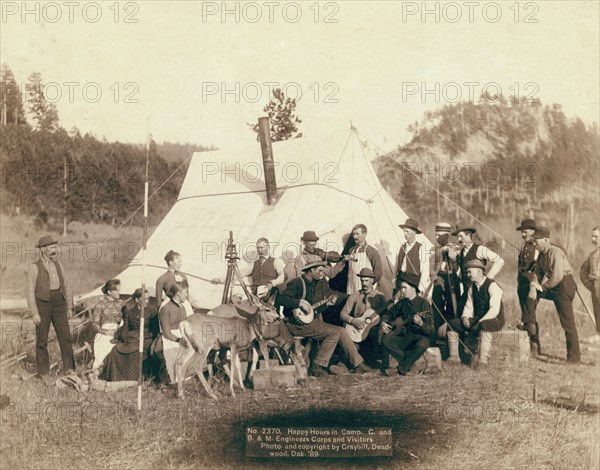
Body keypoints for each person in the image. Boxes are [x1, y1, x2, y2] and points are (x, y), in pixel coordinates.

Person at [278, 262, 371, 376]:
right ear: (311, 270)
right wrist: (299, 303)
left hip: (311, 322)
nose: (322, 274)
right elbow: (280, 299)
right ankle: (318, 366)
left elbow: (319, 305)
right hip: (295, 324)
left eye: (323, 271)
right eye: (320, 271)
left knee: (340, 331)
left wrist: (329, 303)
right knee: (335, 332)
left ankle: (357, 364)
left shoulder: (320, 283)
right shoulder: (297, 283)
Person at [26, 235, 75, 377]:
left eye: (55, 247)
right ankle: (43, 373)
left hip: (59, 304)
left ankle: (69, 370)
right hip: (42, 305)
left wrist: (70, 307)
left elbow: (67, 286)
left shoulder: (59, 265)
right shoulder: (34, 268)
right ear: (43, 249)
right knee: (42, 340)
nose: (54, 250)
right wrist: (34, 313)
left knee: (65, 337)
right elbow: (29, 292)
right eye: (51, 247)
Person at [532, 227, 580, 364]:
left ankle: (574, 359)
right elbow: (537, 273)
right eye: (533, 241)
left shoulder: (555, 252)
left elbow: (557, 276)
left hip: (564, 285)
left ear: (546, 240)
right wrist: (534, 284)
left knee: (568, 323)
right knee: (531, 294)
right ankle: (528, 321)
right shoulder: (541, 255)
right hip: (554, 286)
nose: (534, 244)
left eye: (537, 241)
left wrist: (541, 287)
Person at [448, 259, 505, 367]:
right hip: (479, 318)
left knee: (484, 325)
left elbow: (494, 310)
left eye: (470, 272)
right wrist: (465, 317)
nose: (468, 275)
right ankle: (454, 358)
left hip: (495, 319)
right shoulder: (472, 287)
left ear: (479, 271)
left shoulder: (492, 286)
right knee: (453, 324)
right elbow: (469, 306)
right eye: (467, 272)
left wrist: (479, 322)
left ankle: (483, 361)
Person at [380, 272, 434, 375]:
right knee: (386, 339)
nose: (401, 290)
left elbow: (431, 330)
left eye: (404, 288)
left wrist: (421, 323)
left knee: (422, 344)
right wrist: (383, 322)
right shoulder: (402, 303)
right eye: (401, 288)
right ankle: (410, 365)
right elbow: (389, 314)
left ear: (413, 288)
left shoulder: (424, 304)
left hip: (420, 337)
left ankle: (401, 368)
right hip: (406, 337)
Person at [101, 288, 159, 381]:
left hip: (147, 338)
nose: (147, 302)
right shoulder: (130, 312)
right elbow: (126, 328)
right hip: (131, 339)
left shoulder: (152, 312)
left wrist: (143, 336)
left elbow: (155, 330)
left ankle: (135, 379)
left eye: (148, 299)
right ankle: (116, 378)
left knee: (136, 352)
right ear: (137, 300)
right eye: (145, 299)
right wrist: (122, 338)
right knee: (115, 350)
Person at [339, 268, 388, 367]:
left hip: (372, 329)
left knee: (375, 333)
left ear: (372, 281)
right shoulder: (355, 295)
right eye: (362, 280)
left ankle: (374, 360)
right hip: (357, 327)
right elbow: (343, 313)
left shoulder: (379, 296)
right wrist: (353, 321)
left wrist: (383, 322)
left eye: (367, 281)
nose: (364, 283)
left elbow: (385, 314)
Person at [212, 237, 285, 300]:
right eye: (258, 248)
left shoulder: (276, 261)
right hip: (256, 296)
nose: (260, 250)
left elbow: (283, 275)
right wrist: (220, 279)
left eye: (262, 247)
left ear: (268, 247)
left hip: (270, 296)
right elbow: (239, 274)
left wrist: (272, 283)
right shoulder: (254, 264)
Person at [450, 224, 504, 305]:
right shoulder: (460, 253)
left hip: (480, 291)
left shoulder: (479, 249)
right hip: (467, 292)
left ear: (468, 235)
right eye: (457, 237)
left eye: (460, 236)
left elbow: (500, 261)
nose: (459, 240)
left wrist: (489, 277)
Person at [430, 222, 461, 359]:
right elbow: (432, 266)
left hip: (452, 284)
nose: (436, 238)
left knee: (452, 312)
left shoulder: (455, 248)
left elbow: (458, 268)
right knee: (436, 312)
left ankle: (452, 349)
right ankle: (437, 345)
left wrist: (452, 253)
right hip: (438, 284)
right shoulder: (434, 249)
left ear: (446, 235)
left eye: (439, 235)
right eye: (435, 235)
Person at [515, 219, 542, 355]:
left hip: (531, 284)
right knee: (527, 314)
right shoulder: (525, 246)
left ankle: (534, 347)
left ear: (532, 231)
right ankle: (531, 346)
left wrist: (533, 285)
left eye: (524, 232)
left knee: (529, 315)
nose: (523, 235)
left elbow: (538, 267)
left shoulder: (537, 246)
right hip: (522, 284)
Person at [90, 279, 124, 374]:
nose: (119, 292)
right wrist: (106, 332)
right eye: (116, 290)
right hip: (104, 333)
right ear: (109, 292)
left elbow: (126, 320)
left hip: (119, 332)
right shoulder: (100, 304)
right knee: (103, 349)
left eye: (119, 290)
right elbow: (94, 324)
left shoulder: (122, 303)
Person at [158, 281, 189, 383]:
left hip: (182, 336)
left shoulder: (182, 307)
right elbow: (166, 332)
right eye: (185, 292)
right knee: (175, 358)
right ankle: (174, 380)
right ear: (178, 293)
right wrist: (179, 340)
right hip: (170, 339)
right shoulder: (165, 308)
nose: (187, 295)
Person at [345, 224, 383, 295]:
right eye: (353, 234)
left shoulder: (372, 251)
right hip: (351, 288)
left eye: (357, 234)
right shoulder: (351, 250)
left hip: (364, 290)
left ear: (365, 234)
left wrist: (368, 285)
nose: (354, 236)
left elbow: (378, 273)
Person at [395, 218, 430, 294]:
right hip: (400, 280)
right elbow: (396, 266)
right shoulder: (400, 247)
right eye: (404, 231)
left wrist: (421, 288)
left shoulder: (421, 248)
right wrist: (394, 278)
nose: (405, 234)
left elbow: (425, 270)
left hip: (413, 282)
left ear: (414, 232)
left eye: (407, 231)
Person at [580, 226, 600, 342]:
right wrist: (590, 286)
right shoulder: (592, 255)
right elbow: (583, 271)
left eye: (596, 236)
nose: (593, 239)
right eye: (592, 236)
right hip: (596, 290)